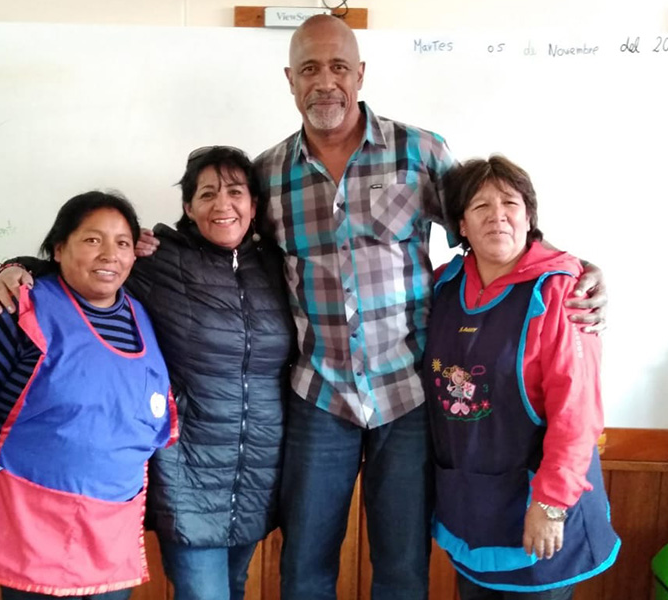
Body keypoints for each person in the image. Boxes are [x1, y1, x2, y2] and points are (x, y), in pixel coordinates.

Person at [240, 15, 609, 600]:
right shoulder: (267, 176)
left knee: (402, 567)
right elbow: (229, 255)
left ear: (360, 74)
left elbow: (491, 226)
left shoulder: (419, 151)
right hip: (319, 396)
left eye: (339, 67)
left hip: (408, 397)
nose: (325, 82)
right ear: (290, 80)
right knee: (304, 566)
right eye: (310, 69)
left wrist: (574, 271)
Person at [0, 147, 295, 600]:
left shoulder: (277, 265)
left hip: (259, 466)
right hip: (189, 468)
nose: (222, 204)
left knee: (234, 587)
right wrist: (22, 268)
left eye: (235, 192)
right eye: (206, 194)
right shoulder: (157, 260)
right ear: (188, 208)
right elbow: (87, 269)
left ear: (254, 204)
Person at [0, 192, 179, 600]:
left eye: (121, 243)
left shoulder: (141, 315)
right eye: (92, 240)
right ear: (60, 248)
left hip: (111, 533)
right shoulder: (17, 309)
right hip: (31, 527)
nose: (109, 255)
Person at [425, 155, 619, 599]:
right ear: (461, 226)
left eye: (510, 203)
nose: (498, 216)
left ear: (529, 217)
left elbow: (577, 412)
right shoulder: (442, 287)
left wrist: (550, 505)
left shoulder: (561, 293)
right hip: (469, 502)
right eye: (480, 207)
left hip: (537, 505)